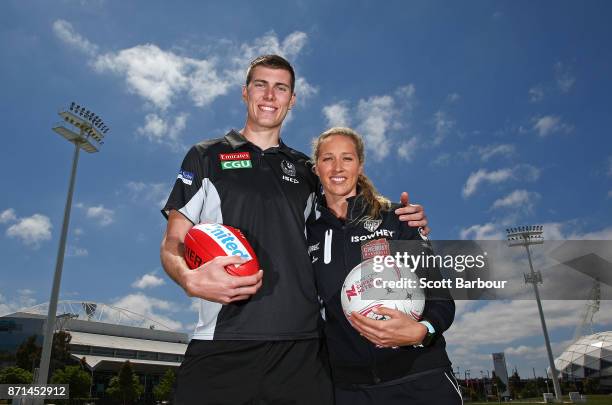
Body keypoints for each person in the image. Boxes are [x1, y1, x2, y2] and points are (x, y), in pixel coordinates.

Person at [160, 55, 429, 405]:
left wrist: (401, 217)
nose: (270, 95)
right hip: (224, 340)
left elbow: (348, 209)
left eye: (280, 88)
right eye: (261, 85)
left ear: (292, 99)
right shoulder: (205, 156)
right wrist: (188, 278)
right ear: (245, 93)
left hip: (303, 348)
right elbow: (173, 243)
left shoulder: (305, 169)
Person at [307, 127, 461, 405]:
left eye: (347, 158)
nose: (337, 167)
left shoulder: (396, 219)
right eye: (328, 158)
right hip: (350, 389)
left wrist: (422, 331)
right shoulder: (307, 233)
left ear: (360, 166)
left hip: (421, 379)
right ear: (316, 167)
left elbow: (441, 299)